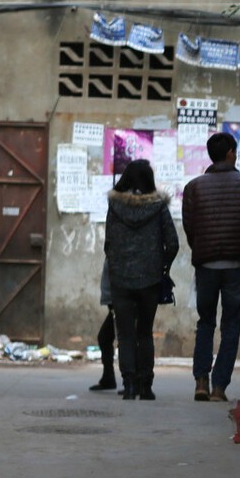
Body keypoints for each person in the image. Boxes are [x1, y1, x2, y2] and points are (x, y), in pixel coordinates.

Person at [181, 132, 240, 402]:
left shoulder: (194, 187)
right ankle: (219, 388)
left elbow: (189, 225)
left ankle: (200, 382)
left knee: (205, 322)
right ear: (231, 152)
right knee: (230, 325)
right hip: (237, 266)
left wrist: (201, 248)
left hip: (206, 266)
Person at [104, 159, 179, 401]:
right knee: (144, 333)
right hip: (150, 279)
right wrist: (162, 266)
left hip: (121, 280)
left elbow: (108, 243)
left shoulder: (115, 207)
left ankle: (129, 386)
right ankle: (146, 386)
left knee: (125, 334)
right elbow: (173, 243)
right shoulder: (158, 207)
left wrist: (118, 265)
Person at [89, 260, 118, 393]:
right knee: (105, 337)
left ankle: (133, 382)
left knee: (125, 339)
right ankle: (109, 377)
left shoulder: (120, 244)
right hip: (116, 301)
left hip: (120, 300)